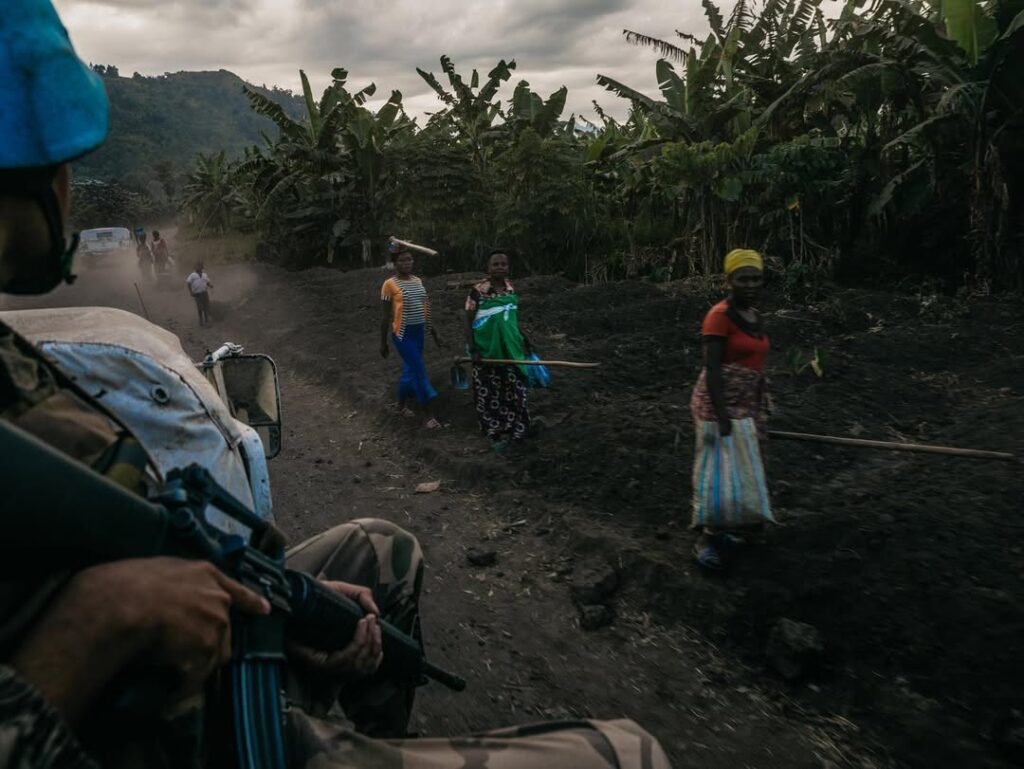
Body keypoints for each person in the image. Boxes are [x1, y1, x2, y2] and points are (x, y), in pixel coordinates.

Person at [0, 6, 673, 766]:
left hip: (169, 663)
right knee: (632, 753)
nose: (65, 193)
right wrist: (94, 628)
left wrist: (275, 603)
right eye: (56, 165)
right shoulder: (399, 285)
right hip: (137, 725)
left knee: (382, 549)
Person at [689, 248, 774, 570]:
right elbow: (712, 369)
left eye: (756, 278)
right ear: (729, 280)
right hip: (718, 404)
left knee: (748, 467)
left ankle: (740, 527)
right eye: (744, 278)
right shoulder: (719, 316)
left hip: (748, 403)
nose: (751, 284)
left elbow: (755, 362)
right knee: (718, 471)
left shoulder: (754, 316)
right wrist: (722, 417)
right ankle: (707, 537)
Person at [465, 250, 533, 452]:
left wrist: (525, 339)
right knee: (490, 394)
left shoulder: (511, 289)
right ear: (488, 268)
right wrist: (473, 349)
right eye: (496, 264)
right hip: (487, 352)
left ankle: (518, 429)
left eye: (504, 264)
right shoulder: (477, 291)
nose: (500, 267)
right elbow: (468, 322)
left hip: (511, 351)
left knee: (516, 391)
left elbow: (511, 318)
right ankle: (494, 431)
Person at [380, 250, 442, 429]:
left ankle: (400, 406)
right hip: (402, 335)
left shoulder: (418, 281)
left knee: (410, 371)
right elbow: (385, 317)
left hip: (419, 334)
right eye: (402, 260)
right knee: (419, 371)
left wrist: (435, 333)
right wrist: (383, 343)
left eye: (410, 259)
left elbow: (425, 309)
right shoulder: (389, 285)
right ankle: (428, 415)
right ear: (395, 263)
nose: (407, 263)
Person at [186, 260, 213, 326]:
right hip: (197, 294)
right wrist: (191, 292)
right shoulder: (192, 275)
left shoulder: (204, 275)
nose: (199, 267)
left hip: (204, 292)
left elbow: (207, 282)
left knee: (206, 307)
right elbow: (188, 283)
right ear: (195, 267)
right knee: (200, 307)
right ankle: (201, 320)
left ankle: (206, 320)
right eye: (198, 266)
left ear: (202, 267)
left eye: (201, 266)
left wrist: (210, 285)